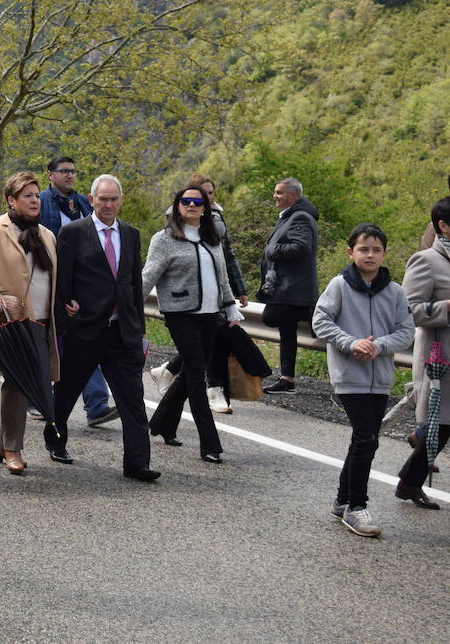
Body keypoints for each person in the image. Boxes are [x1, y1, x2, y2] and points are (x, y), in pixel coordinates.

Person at [47, 174, 158, 481]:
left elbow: (134, 282)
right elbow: (63, 282)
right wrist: (65, 317)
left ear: (121, 200)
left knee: (132, 400)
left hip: (122, 332)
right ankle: (56, 441)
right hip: (84, 330)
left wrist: (138, 325)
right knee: (66, 394)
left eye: (114, 199)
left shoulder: (131, 234)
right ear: (91, 199)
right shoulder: (72, 233)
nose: (109, 205)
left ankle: (138, 464)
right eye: (103, 199)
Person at [312, 223, 415, 537]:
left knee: (365, 439)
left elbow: (407, 331)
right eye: (363, 249)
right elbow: (320, 321)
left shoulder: (396, 291)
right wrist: (351, 342)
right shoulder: (339, 285)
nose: (370, 255)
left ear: (384, 253)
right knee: (366, 438)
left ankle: (343, 501)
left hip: (380, 377)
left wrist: (379, 345)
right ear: (351, 252)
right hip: (349, 376)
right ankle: (357, 507)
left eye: (376, 250)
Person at [0, 171, 59, 475]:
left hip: (44, 322)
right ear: (12, 200)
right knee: (17, 385)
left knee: (34, 384)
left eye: (37, 195)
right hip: (11, 322)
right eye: (28, 196)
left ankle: (3, 441)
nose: (35, 200)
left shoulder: (47, 235)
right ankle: (13, 450)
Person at [148, 173, 265, 413]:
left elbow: (225, 260)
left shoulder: (215, 223)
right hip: (184, 307)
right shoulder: (172, 230)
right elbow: (149, 275)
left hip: (214, 304)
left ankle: (165, 412)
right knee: (199, 361)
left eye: (207, 196)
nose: (200, 203)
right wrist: (129, 310)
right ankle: (213, 394)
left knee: (202, 357)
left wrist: (237, 291)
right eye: (198, 197)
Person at [141, 186, 242, 463]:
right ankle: (210, 443)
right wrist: (126, 308)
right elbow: (147, 277)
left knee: (188, 373)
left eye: (198, 202)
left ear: (206, 208)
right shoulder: (163, 240)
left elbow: (222, 277)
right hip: (180, 315)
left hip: (211, 316)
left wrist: (230, 305)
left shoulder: (212, 238)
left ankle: (161, 423)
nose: (193, 205)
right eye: (186, 201)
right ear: (177, 206)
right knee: (197, 374)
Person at [37, 156, 116, 426]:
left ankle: (97, 405)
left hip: (80, 287)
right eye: (64, 171)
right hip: (47, 282)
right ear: (51, 175)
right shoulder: (42, 202)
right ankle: (38, 399)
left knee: (85, 343)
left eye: (73, 171)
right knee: (48, 343)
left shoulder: (83, 202)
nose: (70, 176)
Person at [395, 196, 450, 510]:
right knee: (442, 424)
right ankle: (410, 483)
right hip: (440, 358)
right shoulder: (426, 260)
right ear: (443, 225)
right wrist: (445, 308)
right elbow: (407, 310)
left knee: (441, 425)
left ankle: (409, 480)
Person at [259, 177, 321, 395]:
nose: (274, 196)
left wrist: (272, 250)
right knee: (287, 331)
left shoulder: (301, 218)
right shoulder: (292, 216)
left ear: (292, 196)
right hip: (288, 288)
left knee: (270, 317)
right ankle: (287, 379)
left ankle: (307, 311)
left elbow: (301, 247)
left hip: (293, 289)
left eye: (278, 192)